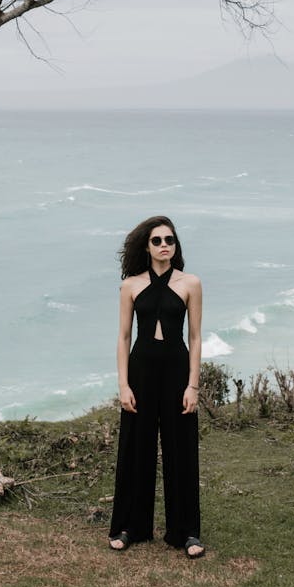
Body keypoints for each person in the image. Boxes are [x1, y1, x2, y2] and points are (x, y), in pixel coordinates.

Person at [108, 215, 204, 558]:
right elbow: (122, 337)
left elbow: (194, 337)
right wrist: (123, 384)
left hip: (177, 369)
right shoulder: (130, 286)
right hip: (141, 370)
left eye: (170, 240)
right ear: (146, 246)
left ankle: (187, 532)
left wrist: (193, 386)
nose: (165, 246)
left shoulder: (190, 283)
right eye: (157, 241)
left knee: (181, 448)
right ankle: (130, 527)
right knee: (137, 446)